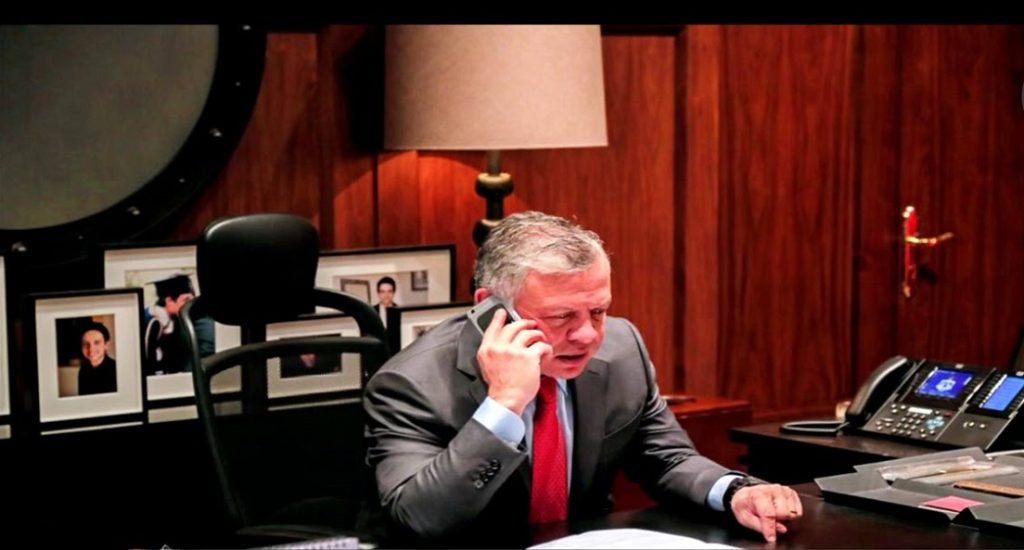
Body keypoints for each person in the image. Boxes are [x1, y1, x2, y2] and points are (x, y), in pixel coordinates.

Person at [364, 211, 802, 546]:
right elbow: (418, 519)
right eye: (561, 317)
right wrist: (503, 406)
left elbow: (666, 458)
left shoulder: (622, 348)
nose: (588, 335)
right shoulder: (411, 384)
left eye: (598, 310)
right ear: (492, 307)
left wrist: (734, 492)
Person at [144, 274, 214, 375]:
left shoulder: (202, 322)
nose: (190, 304)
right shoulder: (163, 321)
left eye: (192, 298)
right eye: (186, 300)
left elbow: (205, 354)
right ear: (169, 301)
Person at [78, 321, 117, 396]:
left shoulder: (116, 370)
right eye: (86, 344)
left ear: (106, 345)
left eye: (96, 343)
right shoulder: (83, 370)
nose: (91, 349)